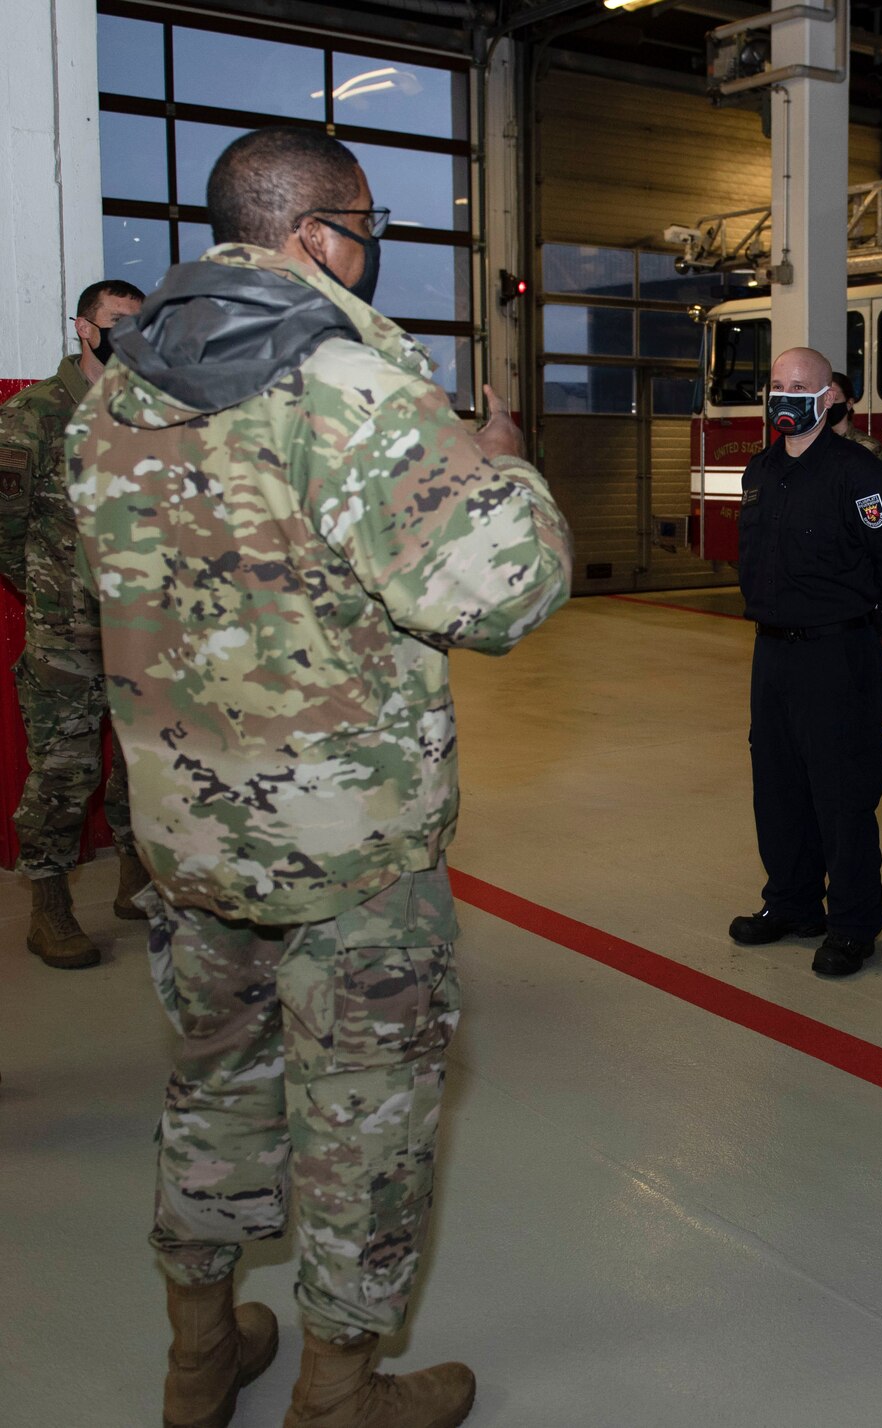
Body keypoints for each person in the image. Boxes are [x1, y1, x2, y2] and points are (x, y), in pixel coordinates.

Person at [68, 127, 572, 1428]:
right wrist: (496, 458)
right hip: (352, 859)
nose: (369, 258)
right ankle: (339, 1396)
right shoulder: (345, 381)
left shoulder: (116, 392)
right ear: (318, 235)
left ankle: (197, 1361)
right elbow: (508, 587)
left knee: (214, 1092)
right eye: (368, 232)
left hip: (191, 835)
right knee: (364, 1122)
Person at [727, 346, 882, 977]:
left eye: (798, 386)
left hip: (837, 653)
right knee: (777, 787)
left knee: (843, 793)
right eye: (776, 384)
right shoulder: (759, 471)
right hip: (772, 654)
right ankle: (791, 903)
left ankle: (853, 925)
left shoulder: (858, 474)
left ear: (829, 397)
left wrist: (869, 620)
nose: (783, 395)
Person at [0, 278, 150, 969]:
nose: (132, 334)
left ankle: (136, 880)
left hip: (143, 629)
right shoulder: (32, 416)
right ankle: (49, 905)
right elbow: (4, 531)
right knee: (64, 770)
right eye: (119, 322)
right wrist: (52, 589)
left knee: (143, 766)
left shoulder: (152, 415)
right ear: (85, 329)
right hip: (67, 636)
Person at [827, 370, 882, 473]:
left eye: (835, 399)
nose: (829, 405)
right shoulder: (812, 444)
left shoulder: (869, 449)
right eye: (825, 399)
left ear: (849, 404)